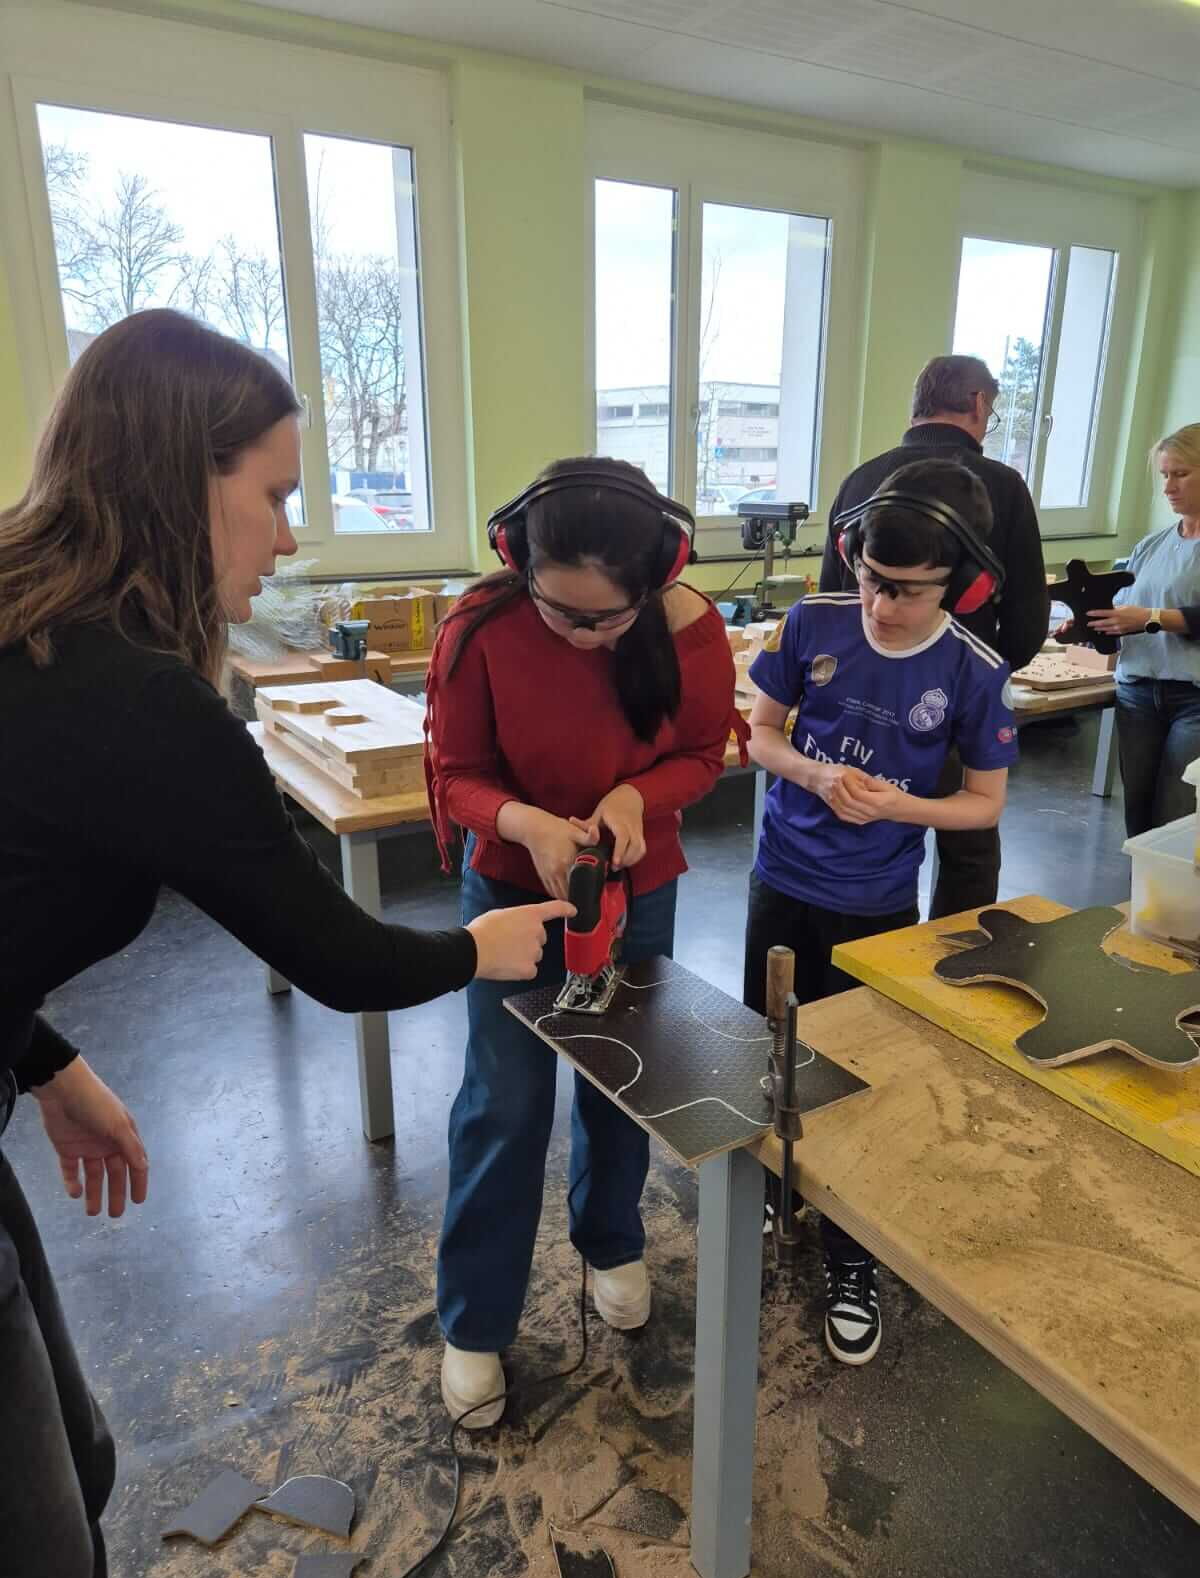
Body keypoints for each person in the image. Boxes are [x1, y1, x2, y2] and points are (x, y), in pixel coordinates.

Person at [0, 309, 570, 1578]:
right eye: (275, 495)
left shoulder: (30, 626)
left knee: (80, 1458)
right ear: (179, 479)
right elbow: (343, 958)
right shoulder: (141, 701)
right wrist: (477, 946)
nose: (290, 536)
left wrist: (40, 1057)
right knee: (36, 1551)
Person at [424, 457, 739, 1427]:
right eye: (558, 611)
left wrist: (635, 796)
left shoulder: (690, 630)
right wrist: (525, 824)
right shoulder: (480, 627)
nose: (580, 635)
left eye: (606, 619)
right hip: (511, 891)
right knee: (505, 1101)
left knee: (620, 1081)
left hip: (636, 891)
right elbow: (455, 773)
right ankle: (477, 1319)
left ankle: (611, 1241)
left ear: (655, 579)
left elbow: (704, 753)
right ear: (518, 560)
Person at [745, 459, 1018, 1365]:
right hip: (781, 879)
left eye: (905, 591)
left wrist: (902, 806)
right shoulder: (812, 622)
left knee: (856, 1077)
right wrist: (814, 774)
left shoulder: (974, 670)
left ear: (961, 587)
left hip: (876, 903)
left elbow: (984, 804)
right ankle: (772, 1192)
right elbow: (761, 734)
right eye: (868, 579)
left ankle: (852, 1253)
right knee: (766, 1050)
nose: (880, 606)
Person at [818, 354, 1048, 916]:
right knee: (967, 850)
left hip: (860, 701)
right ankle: (951, 956)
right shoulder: (1001, 486)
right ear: (978, 404)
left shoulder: (861, 479)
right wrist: (982, 687)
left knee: (856, 828)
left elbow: (830, 604)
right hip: (954, 704)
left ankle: (860, 952)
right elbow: (1026, 623)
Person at [1089, 424, 1200, 839]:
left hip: (1193, 700)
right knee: (1138, 817)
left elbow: (1146, 616)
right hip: (1137, 692)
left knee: (1176, 815)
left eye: (1181, 474)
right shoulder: (1150, 546)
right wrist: (1091, 624)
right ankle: (1142, 884)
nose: (1168, 487)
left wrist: (1151, 618)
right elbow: (1124, 612)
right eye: (1165, 475)